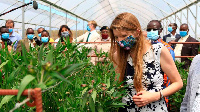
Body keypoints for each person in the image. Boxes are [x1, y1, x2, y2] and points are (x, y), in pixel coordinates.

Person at [109, 12, 183, 112]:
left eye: (124, 35)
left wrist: (155, 96)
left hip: (155, 108)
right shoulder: (118, 56)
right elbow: (118, 86)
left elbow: (178, 83)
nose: (120, 41)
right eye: (117, 37)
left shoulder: (158, 51)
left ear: (137, 32)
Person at [147, 20, 175, 106]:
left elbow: (169, 74)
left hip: (160, 89)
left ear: (160, 30)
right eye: (149, 30)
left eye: (154, 29)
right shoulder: (144, 46)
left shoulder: (167, 48)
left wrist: (164, 92)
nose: (151, 32)